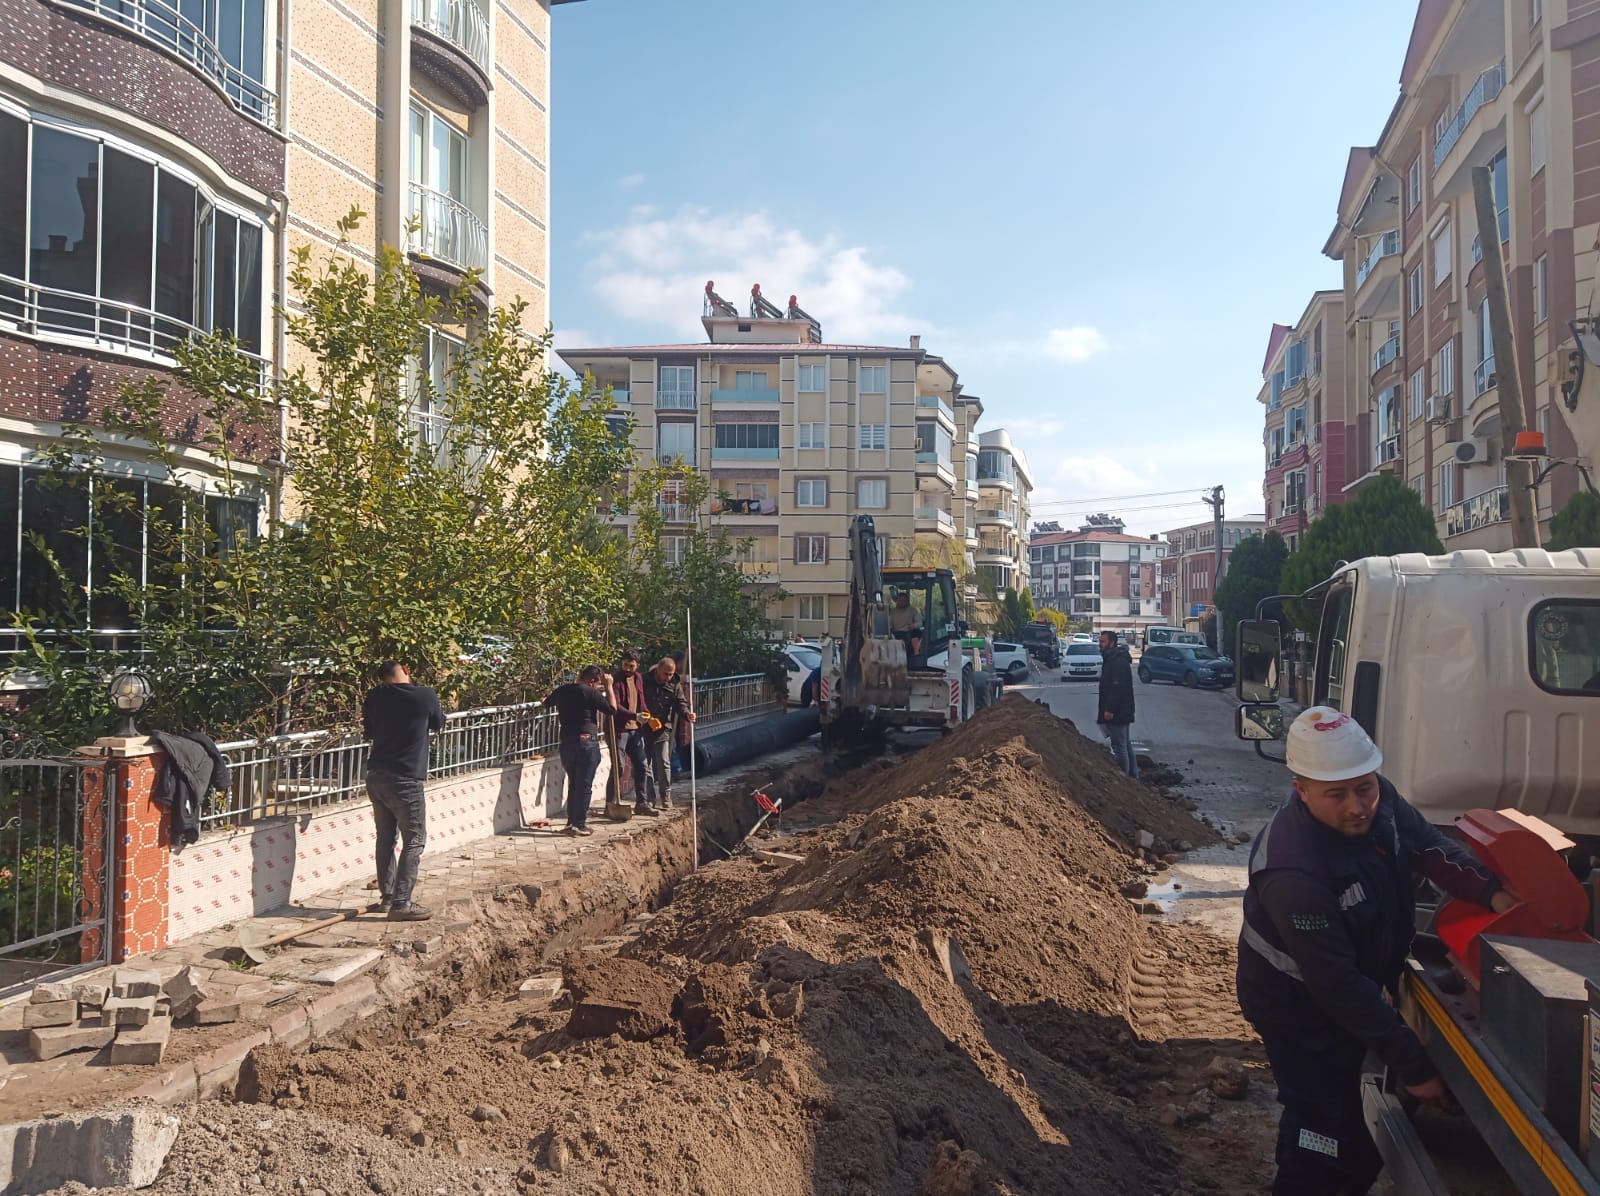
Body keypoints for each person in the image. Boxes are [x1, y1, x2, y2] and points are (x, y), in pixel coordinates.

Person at [1237, 707, 1516, 1196]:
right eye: (1337, 795)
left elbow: (1428, 846)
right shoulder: (1292, 874)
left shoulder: (1379, 799)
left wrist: (1492, 893)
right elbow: (1337, 986)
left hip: (1349, 983)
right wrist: (1416, 1068)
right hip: (1295, 1007)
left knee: (1354, 1121)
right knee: (1323, 1127)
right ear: (1302, 790)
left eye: (1364, 788)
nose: (1357, 806)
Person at [362, 660, 444, 921]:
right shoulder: (424, 695)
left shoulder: (374, 696)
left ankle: (387, 898)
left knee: (385, 839)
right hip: (406, 778)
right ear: (407, 669)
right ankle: (401, 903)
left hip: (376, 775)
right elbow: (438, 723)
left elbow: (369, 732)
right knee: (415, 839)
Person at [543, 665, 627, 836]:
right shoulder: (591, 693)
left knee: (574, 784)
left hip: (567, 743)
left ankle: (571, 822)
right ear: (592, 681)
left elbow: (546, 703)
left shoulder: (563, 690)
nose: (598, 687)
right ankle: (579, 824)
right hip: (586, 743)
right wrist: (609, 688)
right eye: (598, 684)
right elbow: (612, 710)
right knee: (584, 785)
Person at [609, 650, 659, 816]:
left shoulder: (638, 678)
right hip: (619, 729)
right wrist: (634, 716)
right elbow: (616, 706)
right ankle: (611, 802)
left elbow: (641, 701)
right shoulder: (616, 680)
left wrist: (647, 716)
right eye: (625, 665)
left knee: (642, 765)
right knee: (618, 766)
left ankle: (642, 803)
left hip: (636, 730)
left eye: (631, 666)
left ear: (637, 666)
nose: (628, 669)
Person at [642, 656, 697, 807]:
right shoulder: (644, 681)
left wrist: (687, 714)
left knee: (663, 762)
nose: (667, 677)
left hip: (662, 728)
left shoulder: (674, 684)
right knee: (645, 764)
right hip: (643, 728)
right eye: (665, 674)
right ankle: (649, 798)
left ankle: (666, 796)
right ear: (658, 670)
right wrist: (645, 717)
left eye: (670, 674)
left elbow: (680, 703)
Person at [1096, 631, 1137, 778]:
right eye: (1099, 641)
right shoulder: (1113, 658)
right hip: (1122, 710)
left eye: (1103, 642)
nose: (1099, 645)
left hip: (1118, 712)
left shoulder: (1116, 661)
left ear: (1112, 643)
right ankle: (1133, 776)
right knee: (1125, 744)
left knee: (1119, 747)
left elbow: (1117, 687)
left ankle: (1125, 779)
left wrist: (1110, 709)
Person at [888, 590, 922, 657]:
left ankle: (916, 654)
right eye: (900, 600)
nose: (901, 602)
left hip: (908, 633)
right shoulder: (893, 612)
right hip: (896, 634)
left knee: (917, 633)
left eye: (903, 600)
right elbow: (889, 624)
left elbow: (919, 623)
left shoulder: (912, 610)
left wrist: (913, 625)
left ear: (907, 601)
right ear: (897, 601)